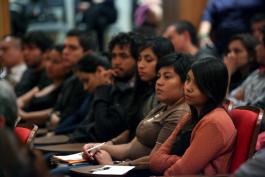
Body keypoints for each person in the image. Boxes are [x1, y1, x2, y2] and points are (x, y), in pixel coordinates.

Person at [82, 52, 191, 167]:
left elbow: (155, 160)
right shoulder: (163, 106)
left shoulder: (179, 113)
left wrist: (113, 166)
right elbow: (129, 148)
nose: (159, 82)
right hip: (128, 164)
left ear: (185, 82)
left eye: (167, 77)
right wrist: (98, 147)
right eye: (158, 76)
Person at [150, 57, 236, 175]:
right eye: (188, 79)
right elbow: (155, 161)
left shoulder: (214, 122)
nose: (188, 87)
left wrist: (183, 162)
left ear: (212, 87)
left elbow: (180, 172)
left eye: (198, 83)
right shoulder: (189, 117)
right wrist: (182, 160)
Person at [16, 45, 70, 125]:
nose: (49, 65)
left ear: (67, 66)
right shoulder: (44, 83)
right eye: (48, 59)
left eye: (56, 62)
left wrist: (25, 115)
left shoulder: (67, 87)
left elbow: (57, 111)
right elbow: (20, 101)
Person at [198, 0, 265, 55]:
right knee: (205, 52)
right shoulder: (215, 1)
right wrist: (204, 37)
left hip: (250, 43)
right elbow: (206, 20)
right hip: (221, 45)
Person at [229, 26, 265, 107]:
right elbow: (228, 100)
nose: (230, 55)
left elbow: (253, 112)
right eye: (229, 51)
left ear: (251, 55)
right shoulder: (256, 73)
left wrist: (228, 73)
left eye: (237, 51)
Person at [15, 31, 53, 97]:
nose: (25, 53)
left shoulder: (52, 74)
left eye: (31, 48)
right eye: (23, 49)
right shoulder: (27, 72)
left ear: (46, 52)